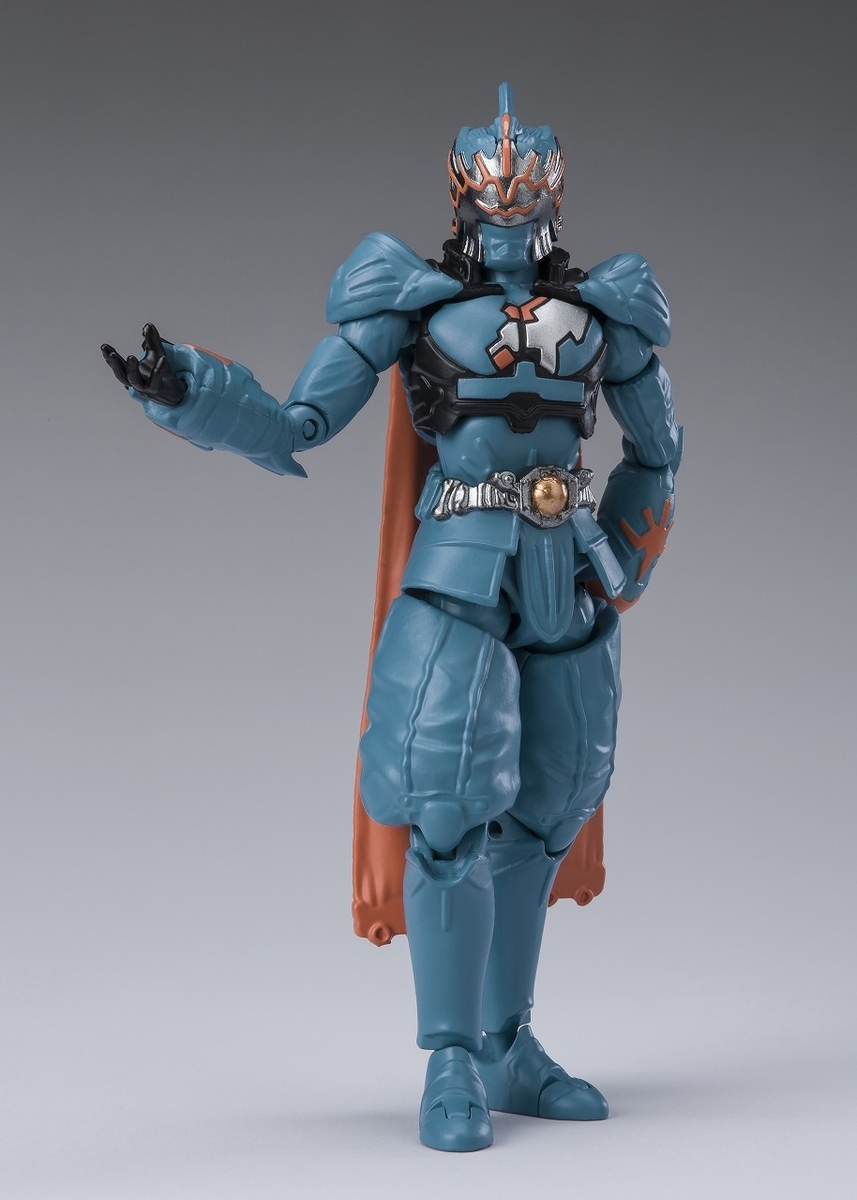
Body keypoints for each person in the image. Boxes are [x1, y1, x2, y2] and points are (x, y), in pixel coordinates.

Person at [102, 83, 681, 1152]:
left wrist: (619, 560)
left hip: (563, 571)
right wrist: (191, 391)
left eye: (524, 206)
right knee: (447, 805)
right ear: (462, 205)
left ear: (550, 204)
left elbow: (656, 452)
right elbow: (300, 420)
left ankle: (507, 1042)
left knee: (549, 805)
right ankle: (451, 1056)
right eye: (490, 207)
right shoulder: (412, 305)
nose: (507, 226)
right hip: (458, 567)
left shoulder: (607, 311)